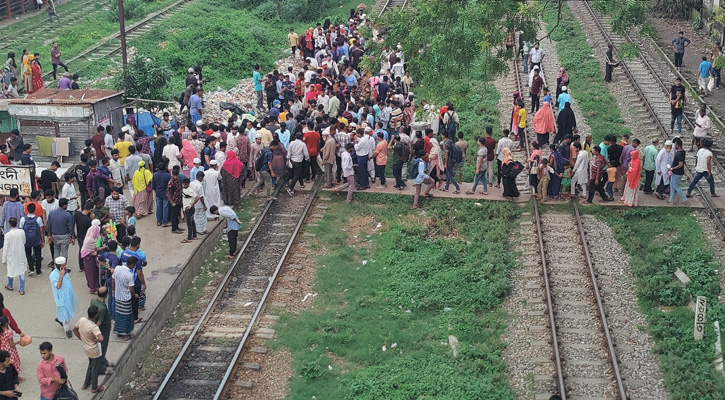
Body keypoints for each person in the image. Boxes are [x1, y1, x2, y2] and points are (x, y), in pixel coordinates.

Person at [72, 306, 104, 393]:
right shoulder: (94, 327)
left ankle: (86, 383)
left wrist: (82, 338)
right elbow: (101, 338)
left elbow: (74, 330)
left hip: (86, 348)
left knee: (90, 365)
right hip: (94, 350)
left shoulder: (82, 320)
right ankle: (94, 387)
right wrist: (97, 340)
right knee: (95, 368)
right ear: (96, 315)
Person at [50, 257, 79, 338]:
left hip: (68, 296)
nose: (65, 267)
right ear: (58, 266)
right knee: (64, 312)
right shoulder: (53, 275)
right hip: (61, 298)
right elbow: (58, 286)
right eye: (63, 266)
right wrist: (61, 276)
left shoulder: (65, 272)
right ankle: (67, 329)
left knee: (69, 311)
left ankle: (61, 320)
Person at [112, 255, 136, 341]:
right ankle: (126, 334)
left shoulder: (117, 268)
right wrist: (135, 295)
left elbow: (113, 281)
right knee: (127, 316)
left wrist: (114, 291)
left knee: (119, 314)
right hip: (125, 298)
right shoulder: (129, 275)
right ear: (132, 265)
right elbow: (131, 288)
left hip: (117, 296)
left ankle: (119, 331)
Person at [91, 287, 113, 374]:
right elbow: (100, 322)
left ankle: (104, 361)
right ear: (106, 295)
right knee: (103, 348)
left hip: (99, 328)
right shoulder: (102, 308)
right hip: (103, 329)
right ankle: (102, 369)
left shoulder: (93, 300)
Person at [45, 198, 75, 263]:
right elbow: (70, 227)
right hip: (64, 235)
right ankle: (63, 267)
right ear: (64, 205)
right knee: (64, 252)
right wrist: (72, 236)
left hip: (54, 235)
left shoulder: (51, 213)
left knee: (56, 250)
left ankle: (57, 266)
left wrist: (49, 235)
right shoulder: (67, 215)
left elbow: (49, 225)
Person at [2, 218, 27, 295]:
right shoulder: (22, 232)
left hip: (11, 255)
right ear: (17, 223)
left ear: (9, 225)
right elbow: (24, 241)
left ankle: (10, 285)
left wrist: (4, 259)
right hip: (21, 253)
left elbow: (5, 248)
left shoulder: (8, 235)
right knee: (21, 270)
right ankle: (22, 289)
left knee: (11, 270)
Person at [20, 203, 44, 276]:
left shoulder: (23, 219)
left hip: (27, 240)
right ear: (34, 210)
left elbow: (21, 230)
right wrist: (42, 240)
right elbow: (41, 230)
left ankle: (31, 268)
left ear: (27, 210)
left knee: (28, 254)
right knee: (38, 254)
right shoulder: (38, 219)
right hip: (36, 239)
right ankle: (38, 270)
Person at [80, 219, 102, 294]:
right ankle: (92, 288)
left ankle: (96, 286)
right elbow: (84, 251)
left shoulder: (95, 238)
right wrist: (92, 253)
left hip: (93, 257)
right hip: (88, 258)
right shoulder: (89, 240)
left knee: (95, 272)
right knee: (91, 273)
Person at [669, 138, 689, 205]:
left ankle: (685, 199)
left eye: (675, 144)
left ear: (677, 145)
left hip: (677, 172)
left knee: (675, 186)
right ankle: (671, 199)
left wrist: (672, 168)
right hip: (675, 172)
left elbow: (680, 164)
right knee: (672, 185)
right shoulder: (682, 151)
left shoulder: (679, 153)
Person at [152, 162, 171, 227]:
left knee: (159, 207)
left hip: (158, 193)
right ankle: (164, 221)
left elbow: (153, 185)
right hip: (166, 193)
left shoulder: (155, 175)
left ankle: (159, 221)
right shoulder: (168, 175)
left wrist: (156, 191)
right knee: (165, 207)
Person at [167, 167, 184, 235]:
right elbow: (168, 193)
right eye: (174, 175)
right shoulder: (171, 182)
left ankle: (177, 227)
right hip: (174, 201)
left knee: (177, 215)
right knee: (174, 216)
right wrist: (172, 202)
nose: (175, 177)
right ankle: (174, 228)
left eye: (176, 175)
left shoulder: (177, 180)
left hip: (178, 200)